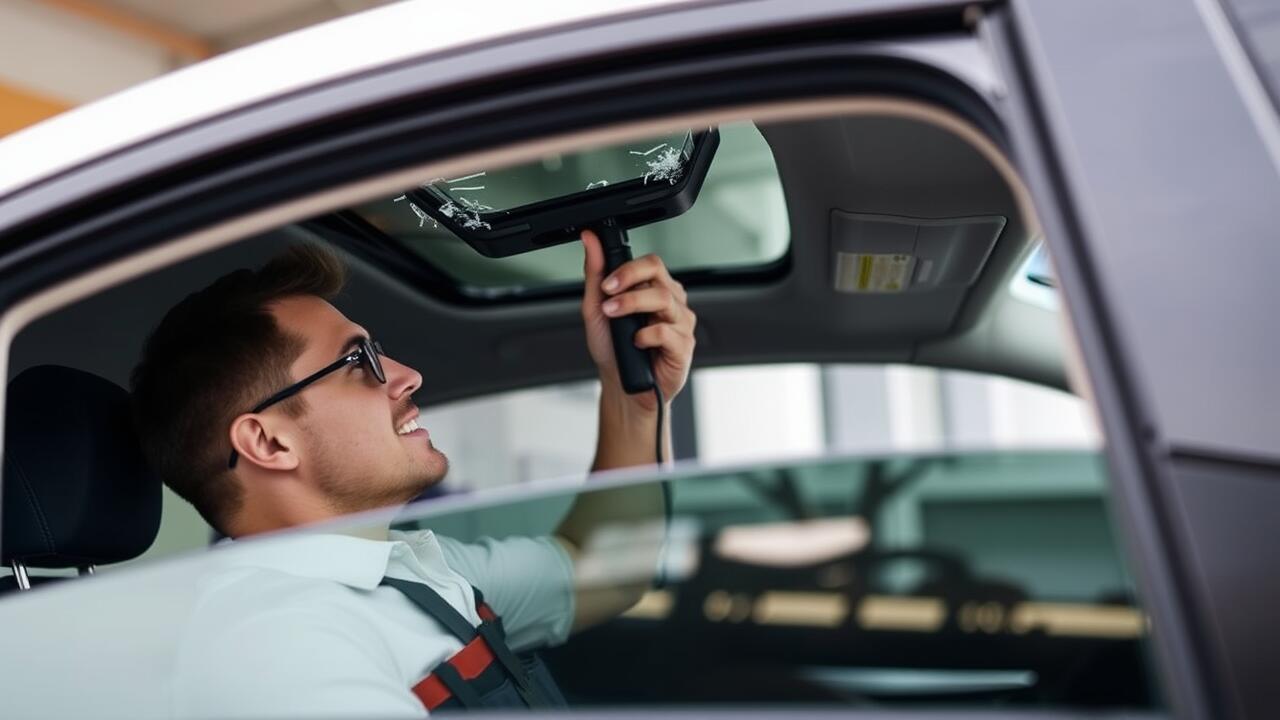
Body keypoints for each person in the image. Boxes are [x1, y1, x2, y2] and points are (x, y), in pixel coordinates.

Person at [128, 230, 697, 717]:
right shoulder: (276, 641)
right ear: (268, 441)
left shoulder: (401, 567)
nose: (408, 376)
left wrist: (634, 402)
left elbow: (603, 570)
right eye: (360, 362)